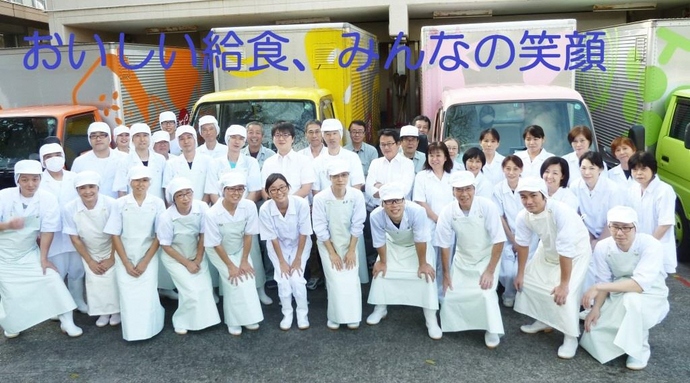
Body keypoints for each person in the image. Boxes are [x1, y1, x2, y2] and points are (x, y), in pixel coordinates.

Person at [579, 206, 669, 370]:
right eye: (614, 227)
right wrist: (596, 308)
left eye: (626, 227)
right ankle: (627, 343)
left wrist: (598, 287)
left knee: (633, 301)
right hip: (618, 290)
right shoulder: (603, 247)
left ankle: (639, 350)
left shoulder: (651, 245)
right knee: (592, 334)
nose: (620, 233)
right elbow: (603, 278)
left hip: (651, 292)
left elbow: (639, 284)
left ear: (635, 227)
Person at [0, 160, 83, 338]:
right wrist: (7, 225)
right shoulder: (4, 196)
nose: (30, 184)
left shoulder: (47, 198)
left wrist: (43, 258)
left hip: (28, 252)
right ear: (17, 180)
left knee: (52, 279)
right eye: (25, 180)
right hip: (3, 256)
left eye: (35, 179)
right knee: (10, 293)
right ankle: (13, 325)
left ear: (40, 179)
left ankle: (67, 322)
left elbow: (47, 231)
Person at [513, 177, 592, 359]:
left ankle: (570, 337)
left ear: (544, 195)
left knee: (566, 295)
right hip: (548, 248)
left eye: (533, 196)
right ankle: (544, 320)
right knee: (531, 283)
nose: (529, 201)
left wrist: (564, 284)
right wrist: (520, 273)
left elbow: (566, 250)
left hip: (575, 253)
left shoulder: (561, 212)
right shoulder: (523, 216)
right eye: (523, 197)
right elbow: (523, 245)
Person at [436, 171, 506, 348]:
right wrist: (446, 275)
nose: (463, 193)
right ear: (453, 192)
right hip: (462, 259)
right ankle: (460, 324)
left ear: (474, 189)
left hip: (487, 258)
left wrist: (490, 271)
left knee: (485, 294)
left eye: (467, 189)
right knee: (451, 295)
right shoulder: (448, 211)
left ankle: (491, 329)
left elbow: (499, 240)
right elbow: (444, 245)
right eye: (459, 190)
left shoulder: (487, 206)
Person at [366, 183, 442, 340]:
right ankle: (381, 308)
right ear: (382, 203)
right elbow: (379, 241)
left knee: (425, 276)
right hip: (392, 246)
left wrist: (423, 264)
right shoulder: (375, 216)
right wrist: (383, 262)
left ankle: (431, 319)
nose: (394, 205)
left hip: (419, 247)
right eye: (389, 201)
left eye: (397, 200)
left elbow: (420, 238)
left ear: (404, 201)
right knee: (380, 273)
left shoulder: (417, 211)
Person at [104, 165, 166, 341]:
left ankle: (151, 328)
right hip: (124, 255)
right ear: (130, 182)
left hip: (149, 255)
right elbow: (115, 234)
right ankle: (132, 333)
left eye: (145, 180)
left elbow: (159, 235)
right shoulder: (120, 204)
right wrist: (126, 262)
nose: (141, 184)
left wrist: (145, 261)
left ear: (150, 182)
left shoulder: (157, 203)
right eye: (137, 180)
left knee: (147, 294)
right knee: (129, 295)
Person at [157, 177, 220, 335]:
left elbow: (203, 233)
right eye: (180, 195)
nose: (185, 198)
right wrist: (187, 263)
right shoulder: (166, 217)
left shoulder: (202, 207)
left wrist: (198, 259)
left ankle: (205, 321)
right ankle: (181, 321)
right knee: (190, 291)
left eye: (188, 193)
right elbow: (165, 245)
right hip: (175, 258)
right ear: (173, 199)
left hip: (196, 254)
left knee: (205, 289)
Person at [205, 173, 265, 335]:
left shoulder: (249, 206)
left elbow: (248, 234)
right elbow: (216, 244)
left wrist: (244, 261)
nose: (236, 193)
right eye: (231, 189)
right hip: (218, 251)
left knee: (248, 278)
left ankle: (249, 318)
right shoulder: (212, 213)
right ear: (223, 191)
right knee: (234, 281)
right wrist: (231, 266)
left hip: (240, 248)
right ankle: (233, 321)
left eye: (240, 189)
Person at [311, 119, 368, 285]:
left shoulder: (351, 157)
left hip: (350, 207)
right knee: (332, 255)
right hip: (326, 208)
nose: (331, 137)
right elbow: (316, 189)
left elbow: (357, 184)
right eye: (327, 134)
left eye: (334, 133)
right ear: (323, 136)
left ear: (341, 135)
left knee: (353, 254)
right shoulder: (317, 162)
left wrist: (347, 202)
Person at [312, 161, 366, 330]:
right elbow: (320, 228)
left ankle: (353, 316)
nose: (340, 179)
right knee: (335, 279)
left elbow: (358, 224)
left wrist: (351, 251)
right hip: (328, 244)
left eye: (343, 175)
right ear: (329, 178)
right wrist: (332, 253)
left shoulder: (357, 195)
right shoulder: (320, 198)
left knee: (350, 278)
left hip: (351, 242)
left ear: (348, 177)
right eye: (336, 176)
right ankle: (335, 317)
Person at [63, 171, 121, 328]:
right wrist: (90, 260)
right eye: (82, 188)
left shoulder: (111, 204)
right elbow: (74, 238)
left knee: (113, 278)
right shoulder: (70, 208)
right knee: (95, 279)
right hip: (89, 249)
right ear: (77, 190)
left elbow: (117, 233)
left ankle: (116, 311)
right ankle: (103, 312)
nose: (87, 191)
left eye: (91, 187)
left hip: (112, 247)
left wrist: (111, 258)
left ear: (98, 187)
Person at [38, 143, 88, 313]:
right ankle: (57, 307)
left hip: (75, 232)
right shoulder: (38, 181)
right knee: (56, 272)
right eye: (48, 156)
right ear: (42, 161)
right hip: (52, 235)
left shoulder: (74, 177)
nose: (54, 159)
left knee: (77, 269)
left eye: (57, 154)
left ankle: (78, 299)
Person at [259, 173, 313, 330]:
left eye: (282, 187)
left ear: (288, 188)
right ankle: (287, 313)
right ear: (268, 193)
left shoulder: (301, 204)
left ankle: (302, 314)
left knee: (296, 278)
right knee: (283, 278)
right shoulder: (265, 209)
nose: (278, 192)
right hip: (278, 247)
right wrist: (282, 262)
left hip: (300, 245)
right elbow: (273, 238)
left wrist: (297, 259)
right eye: (273, 189)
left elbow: (304, 233)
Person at [413, 141, 455, 298]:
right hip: (429, 224)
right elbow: (420, 201)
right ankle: (430, 295)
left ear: (445, 158)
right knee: (430, 258)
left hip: (450, 225)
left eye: (438, 155)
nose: (435, 159)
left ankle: (444, 293)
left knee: (446, 261)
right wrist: (437, 219)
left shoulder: (452, 177)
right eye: (431, 155)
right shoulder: (422, 176)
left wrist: (445, 221)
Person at [492, 155, 534, 308]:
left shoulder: (528, 187)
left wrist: (521, 239)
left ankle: (523, 297)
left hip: (529, 235)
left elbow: (532, 212)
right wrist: (512, 238)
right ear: (503, 169)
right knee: (507, 272)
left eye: (515, 169)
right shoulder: (498, 189)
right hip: (508, 235)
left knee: (521, 270)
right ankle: (508, 294)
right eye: (508, 169)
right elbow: (500, 216)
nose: (511, 172)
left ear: (521, 169)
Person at [626, 151, 676, 274]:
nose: (639, 173)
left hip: (657, 247)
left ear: (653, 169)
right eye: (635, 169)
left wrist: (648, 246)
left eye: (643, 169)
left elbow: (665, 223)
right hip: (637, 247)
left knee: (655, 287)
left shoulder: (664, 190)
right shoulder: (633, 188)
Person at [207, 125, 262, 204]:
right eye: (233, 137)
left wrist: (241, 210)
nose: (237, 141)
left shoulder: (252, 162)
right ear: (227, 139)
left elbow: (253, 191)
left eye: (241, 138)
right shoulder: (215, 163)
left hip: (244, 209)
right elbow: (212, 192)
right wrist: (223, 209)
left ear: (244, 141)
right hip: (220, 210)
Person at [260, 122, 315, 200]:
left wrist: (287, 203)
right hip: (274, 208)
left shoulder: (304, 160)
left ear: (293, 138)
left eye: (285, 135)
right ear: (273, 139)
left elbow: (306, 188)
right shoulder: (268, 163)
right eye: (278, 135)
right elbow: (264, 189)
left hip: (298, 207)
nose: (281, 139)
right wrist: (276, 203)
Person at [113, 123, 167, 200]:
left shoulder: (160, 159)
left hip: (158, 206)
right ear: (132, 139)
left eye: (145, 135)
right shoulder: (124, 161)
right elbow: (122, 190)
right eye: (138, 136)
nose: (142, 139)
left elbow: (165, 186)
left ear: (149, 138)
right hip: (134, 207)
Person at [365, 129, 415, 210]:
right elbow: (369, 189)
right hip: (378, 209)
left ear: (398, 144)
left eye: (389, 144)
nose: (386, 147)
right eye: (383, 144)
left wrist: (380, 186)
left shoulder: (407, 163)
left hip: (400, 209)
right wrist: (393, 188)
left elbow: (404, 190)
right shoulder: (375, 163)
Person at [71, 121, 124, 199]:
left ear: (109, 137)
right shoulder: (79, 162)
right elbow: (73, 189)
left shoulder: (124, 158)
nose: (98, 139)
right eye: (93, 136)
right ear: (89, 139)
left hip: (119, 207)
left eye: (102, 135)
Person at [163, 125, 214, 204]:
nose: (186, 141)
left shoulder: (208, 161)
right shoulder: (171, 164)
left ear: (195, 139)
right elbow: (168, 191)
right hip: (180, 210)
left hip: (204, 209)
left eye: (189, 137)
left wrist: (202, 207)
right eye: (182, 139)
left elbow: (210, 187)